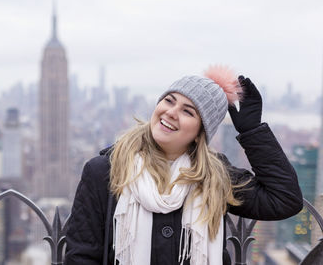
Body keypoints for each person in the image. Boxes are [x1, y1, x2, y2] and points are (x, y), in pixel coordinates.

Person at [65, 66, 303, 265]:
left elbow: (284, 199)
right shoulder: (105, 171)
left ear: (201, 133)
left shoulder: (216, 176)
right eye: (169, 100)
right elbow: (82, 257)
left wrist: (252, 131)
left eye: (188, 111)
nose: (171, 112)